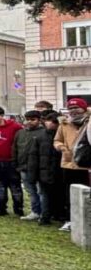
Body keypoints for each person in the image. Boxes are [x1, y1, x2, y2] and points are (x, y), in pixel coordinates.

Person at [53, 97, 91, 232]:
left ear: (84, 108)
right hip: (69, 164)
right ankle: (70, 220)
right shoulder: (64, 124)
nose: (73, 111)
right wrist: (61, 147)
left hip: (86, 165)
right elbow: (57, 140)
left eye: (76, 108)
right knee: (70, 194)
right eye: (70, 108)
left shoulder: (89, 121)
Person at [14, 111, 53, 223]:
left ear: (39, 120)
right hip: (23, 167)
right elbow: (15, 149)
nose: (29, 122)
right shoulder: (20, 133)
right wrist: (16, 164)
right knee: (31, 191)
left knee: (41, 192)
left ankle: (44, 213)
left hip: (39, 168)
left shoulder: (44, 133)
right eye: (28, 119)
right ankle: (35, 211)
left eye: (33, 119)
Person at [43, 112, 66, 227]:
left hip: (62, 167)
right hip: (48, 168)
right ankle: (52, 213)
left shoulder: (63, 133)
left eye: (51, 121)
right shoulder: (44, 134)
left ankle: (61, 214)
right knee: (50, 193)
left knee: (61, 192)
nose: (48, 123)